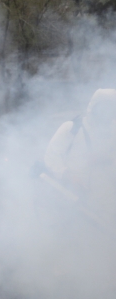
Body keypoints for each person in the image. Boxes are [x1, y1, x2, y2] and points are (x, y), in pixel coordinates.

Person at [43, 88, 116, 219]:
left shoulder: (113, 132)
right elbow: (51, 156)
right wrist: (68, 176)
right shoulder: (72, 128)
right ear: (94, 107)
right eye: (104, 108)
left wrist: (107, 159)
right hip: (72, 197)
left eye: (111, 109)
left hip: (104, 200)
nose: (107, 114)